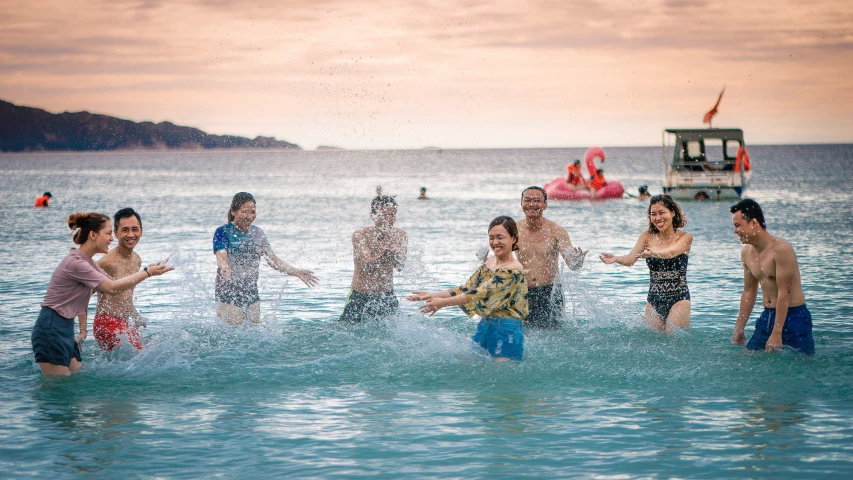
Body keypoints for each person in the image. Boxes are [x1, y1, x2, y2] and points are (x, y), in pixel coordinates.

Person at [31, 212, 172, 375]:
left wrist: (151, 268)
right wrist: (147, 272)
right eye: (108, 233)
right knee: (57, 389)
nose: (111, 239)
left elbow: (119, 285)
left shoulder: (87, 262)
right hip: (51, 328)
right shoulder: (77, 263)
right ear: (92, 235)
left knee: (76, 377)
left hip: (64, 327)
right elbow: (111, 287)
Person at [408, 216, 528, 361]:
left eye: (500, 237)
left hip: (507, 329)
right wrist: (432, 296)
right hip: (486, 325)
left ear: (513, 239)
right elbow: (467, 288)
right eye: (491, 238)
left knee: (502, 376)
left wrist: (442, 303)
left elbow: (479, 294)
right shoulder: (490, 263)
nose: (495, 242)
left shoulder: (513, 269)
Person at [214, 192, 318, 325]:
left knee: (253, 333)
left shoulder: (258, 233)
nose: (250, 216)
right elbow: (220, 254)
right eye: (245, 212)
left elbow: (274, 261)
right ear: (234, 212)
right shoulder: (223, 231)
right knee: (233, 333)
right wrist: (224, 266)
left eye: (253, 212)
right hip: (228, 289)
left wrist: (296, 272)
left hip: (250, 290)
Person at [730, 199, 814, 354]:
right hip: (767, 316)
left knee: (802, 365)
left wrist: (777, 333)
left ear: (754, 223)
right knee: (748, 358)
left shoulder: (781, 249)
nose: (735, 231)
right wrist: (739, 327)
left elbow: (784, 293)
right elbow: (749, 292)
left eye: (737, 225)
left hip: (794, 317)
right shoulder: (747, 253)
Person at [600, 195, 693, 333]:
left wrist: (654, 253)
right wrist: (616, 258)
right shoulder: (646, 236)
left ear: (673, 213)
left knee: (674, 341)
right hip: (653, 300)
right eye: (653, 214)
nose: (657, 218)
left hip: (679, 298)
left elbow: (671, 252)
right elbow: (631, 259)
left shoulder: (685, 237)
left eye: (662, 213)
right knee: (653, 343)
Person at [516, 186, 587, 329]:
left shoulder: (556, 231)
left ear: (545, 204)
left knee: (553, 335)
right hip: (522, 292)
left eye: (537, 201)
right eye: (527, 200)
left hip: (550, 292)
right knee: (523, 335)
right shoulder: (513, 230)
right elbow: (501, 260)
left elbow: (572, 264)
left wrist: (577, 261)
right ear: (521, 203)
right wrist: (486, 261)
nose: (532, 204)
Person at [340, 195, 408, 323]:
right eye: (384, 215)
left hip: (386, 296)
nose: (389, 219)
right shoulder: (360, 235)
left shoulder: (400, 235)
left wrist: (397, 255)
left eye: (392, 215)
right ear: (372, 215)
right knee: (346, 329)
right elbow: (367, 263)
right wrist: (386, 253)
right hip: (360, 295)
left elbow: (400, 267)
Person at [93, 208, 148, 351]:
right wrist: (82, 331)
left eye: (134, 229)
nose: (130, 234)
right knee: (142, 358)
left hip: (123, 322)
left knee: (147, 352)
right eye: (125, 230)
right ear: (116, 233)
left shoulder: (136, 260)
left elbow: (125, 295)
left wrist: (135, 316)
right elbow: (82, 293)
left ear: (141, 231)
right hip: (106, 322)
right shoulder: (107, 262)